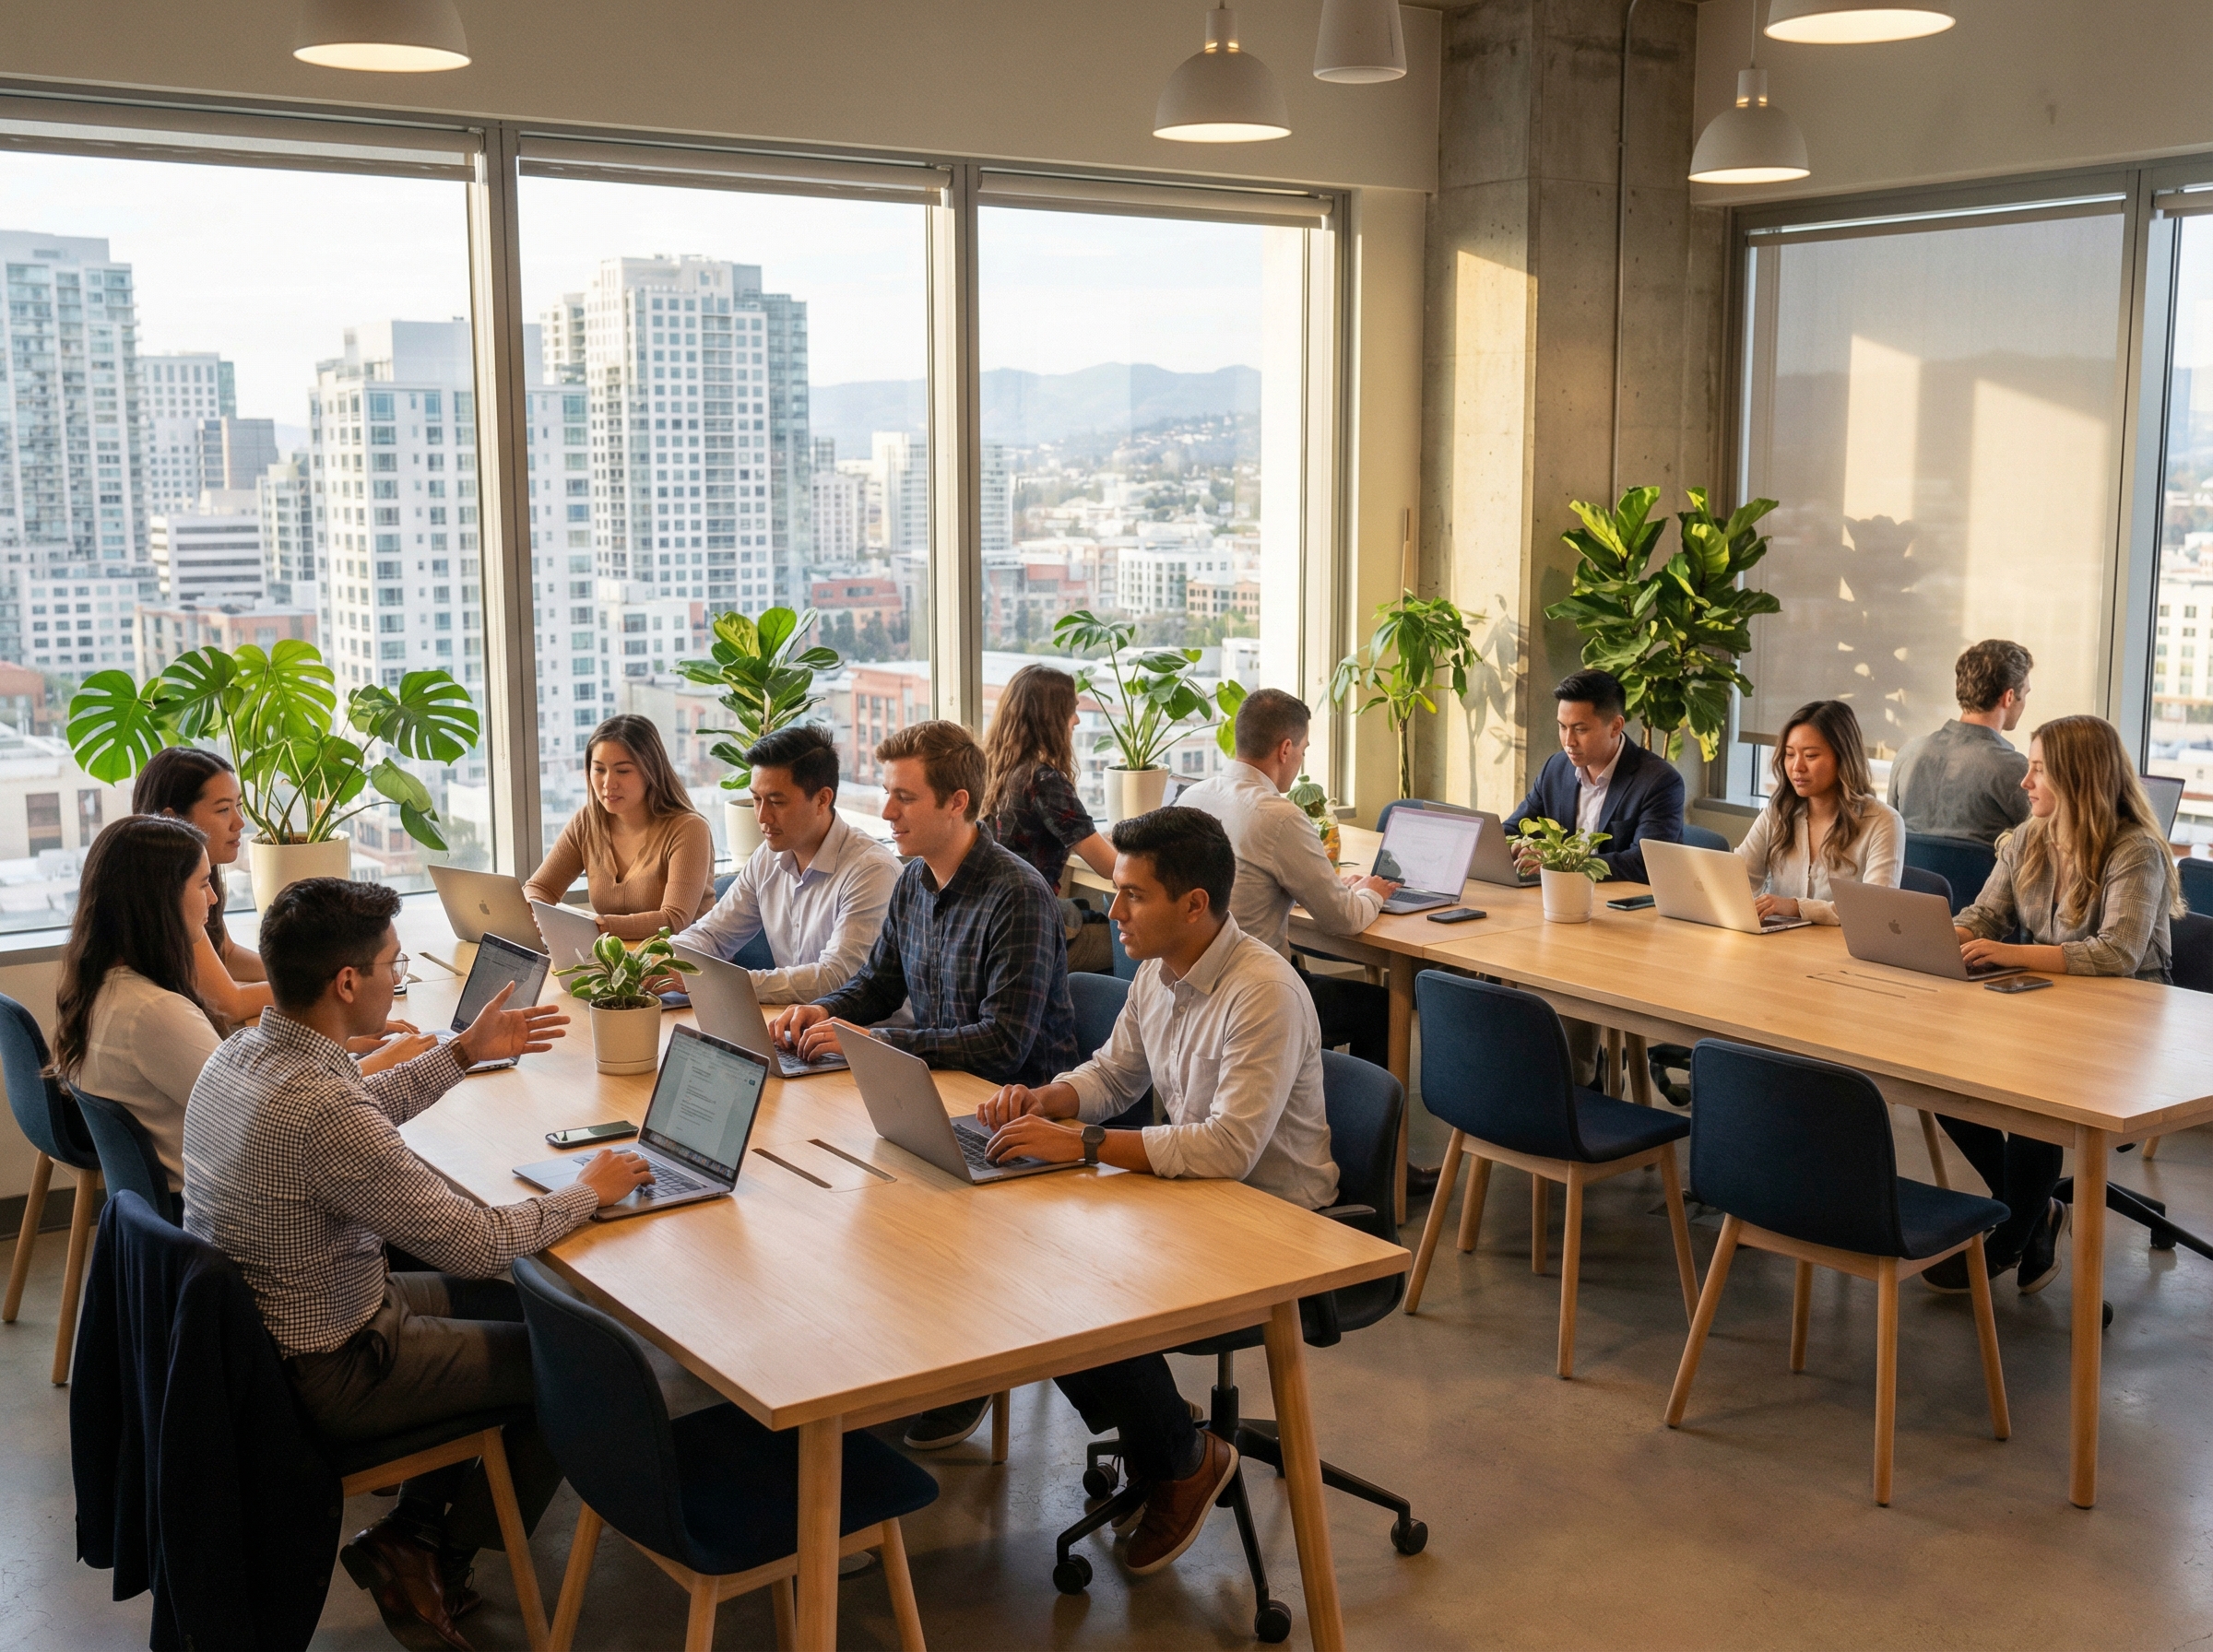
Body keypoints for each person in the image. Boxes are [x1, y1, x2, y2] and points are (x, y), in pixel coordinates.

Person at [182, 877, 651, 1650]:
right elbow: (479, 1241)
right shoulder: (320, 1107)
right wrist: (585, 1191)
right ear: (347, 982)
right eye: (392, 964)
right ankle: (433, 1551)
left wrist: (462, 1053)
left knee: (515, 1308)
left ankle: (418, 1533)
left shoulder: (245, 1054)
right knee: (574, 1366)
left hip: (289, 1332)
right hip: (339, 1362)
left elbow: (356, 1116)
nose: (399, 977)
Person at [976, 807, 1336, 1577]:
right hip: (1195, 1199)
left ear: (1195, 905)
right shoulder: (1157, 972)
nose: (1114, 912)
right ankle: (1162, 1442)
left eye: (1133, 895)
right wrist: (1050, 1101)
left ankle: (1176, 1457)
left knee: (1091, 1278)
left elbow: (1230, 1149)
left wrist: (1088, 1144)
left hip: (1276, 1222)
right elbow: (1114, 1074)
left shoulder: (1262, 993)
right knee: (1026, 1247)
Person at [767, 719, 1078, 1453]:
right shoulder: (914, 880)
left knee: (876, 1212)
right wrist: (826, 1010)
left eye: (904, 798)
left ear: (957, 803)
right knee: (840, 1211)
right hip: (935, 1097)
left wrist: (879, 1042)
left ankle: (957, 1370)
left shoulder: (1017, 895)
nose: (886, 814)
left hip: (1012, 1122)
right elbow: (879, 983)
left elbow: (1006, 1044)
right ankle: (906, 1360)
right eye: (888, 795)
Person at [1929, 715, 2183, 1297]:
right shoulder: (2028, 837)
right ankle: (2035, 1211)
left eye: (2039, 769)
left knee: (2037, 1095)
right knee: (1938, 1069)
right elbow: (1984, 916)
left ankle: (2011, 1233)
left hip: (2126, 1026)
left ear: (2079, 778)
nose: (2025, 782)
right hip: (2045, 1007)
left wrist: (2008, 953)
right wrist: (1949, 934)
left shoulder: (2136, 849)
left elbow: (2117, 953)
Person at [1178, 689, 1399, 1068]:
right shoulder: (1278, 816)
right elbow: (1342, 919)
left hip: (1194, 987)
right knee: (1380, 1007)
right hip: (1256, 997)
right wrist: (1373, 893)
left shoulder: (1192, 797)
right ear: (1285, 749)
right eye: (1303, 749)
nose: (1300, 759)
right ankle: (1362, 1120)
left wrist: (1305, 888)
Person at [50, 816, 223, 1193]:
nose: (212, 898)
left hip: (158, 1212)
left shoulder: (97, 985)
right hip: (205, 1210)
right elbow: (262, 1113)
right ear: (160, 899)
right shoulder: (153, 1013)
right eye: (204, 883)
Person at [673, 725, 900, 1003]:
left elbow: (836, 979)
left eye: (776, 802)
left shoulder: (871, 871)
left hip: (861, 1036)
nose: (762, 817)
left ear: (822, 799)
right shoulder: (768, 857)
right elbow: (712, 934)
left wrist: (715, 981)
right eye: (757, 799)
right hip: (791, 1026)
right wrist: (669, 960)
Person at [526, 714, 714, 941]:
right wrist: (535, 913)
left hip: (684, 962)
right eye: (599, 770)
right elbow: (540, 887)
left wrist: (596, 926)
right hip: (616, 961)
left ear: (650, 771)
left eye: (622, 771)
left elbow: (673, 920)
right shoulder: (587, 821)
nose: (608, 784)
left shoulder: (689, 829)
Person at [982, 664, 1118, 973]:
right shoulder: (1043, 781)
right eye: (1071, 711)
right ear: (1051, 718)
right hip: (1031, 935)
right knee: (1141, 946)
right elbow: (1110, 868)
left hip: (995, 929)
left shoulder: (992, 771)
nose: (1077, 720)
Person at [1504, 668, 1685, 882]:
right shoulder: (1556, 768)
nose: (1568, 741)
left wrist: (1560, 864)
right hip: (1558, 898)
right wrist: (1514, 846)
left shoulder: (1659, 781)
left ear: (1615, 726)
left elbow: (1644, 863)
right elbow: (1511, 829)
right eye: (1562, 727)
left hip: (1623, 905)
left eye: (1580, 730)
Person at [1733, 699, 1904, 926]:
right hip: (1779, 947)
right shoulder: (1778, 812)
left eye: (1811, 756)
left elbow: (1873, 909)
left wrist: (1797, 907)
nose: (1797, 767)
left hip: (1841, 954)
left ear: (1842, 758)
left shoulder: (1882, 821)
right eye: (1790, 754)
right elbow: (1737, 879)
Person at [133, 747, 271, 1024]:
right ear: (173, 819)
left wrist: (297, 974)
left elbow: (225, 953)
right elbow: (230, 1004)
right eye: (223, 810)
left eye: (238, 806)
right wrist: (319, 986)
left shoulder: (197, 875)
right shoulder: (168, 892)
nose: (240, 822)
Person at [1888, 639, 2033, 845]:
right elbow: (2041, 842)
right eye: (2025, 693)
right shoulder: (2016, 770)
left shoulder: (1908, 754)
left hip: (1908, 878)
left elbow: (1891, 838)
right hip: (1980, 878)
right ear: (2009, 697)